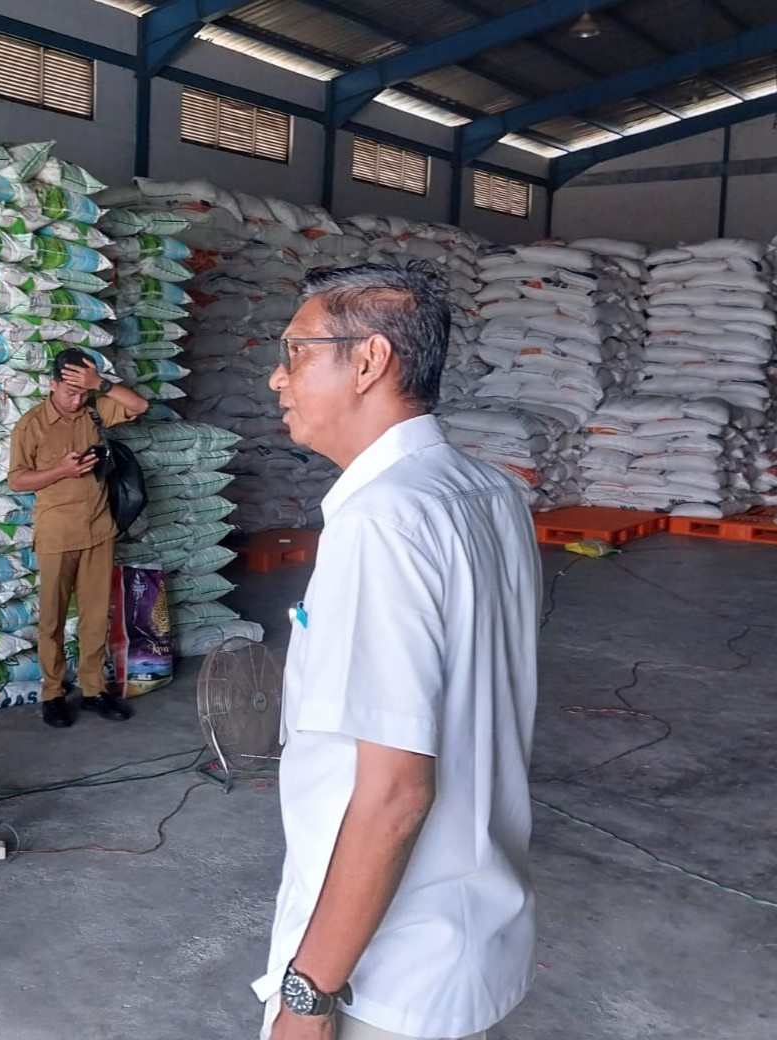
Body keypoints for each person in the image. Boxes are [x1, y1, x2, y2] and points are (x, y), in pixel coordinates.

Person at [254, 263, 541, 1040]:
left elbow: (394, 794)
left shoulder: (382, 521)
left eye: (298, 352)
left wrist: (307, 997)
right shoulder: (492, 491)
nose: (280, 379)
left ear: (370, 361)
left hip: (385, 978)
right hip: (469, 939)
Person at [7, 347, 148, 729]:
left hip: (99, 530)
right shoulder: (31, 425)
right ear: (52, 385)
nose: (76, 400)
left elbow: (139, 405)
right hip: (57, 533)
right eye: (69, 391)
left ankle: (93, 689)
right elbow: (17, 480)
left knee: (94, 616)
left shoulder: (95, 409)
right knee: (51, 619)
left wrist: (99, 385)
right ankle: (52, 692)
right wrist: (60, 471)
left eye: (82, 392)